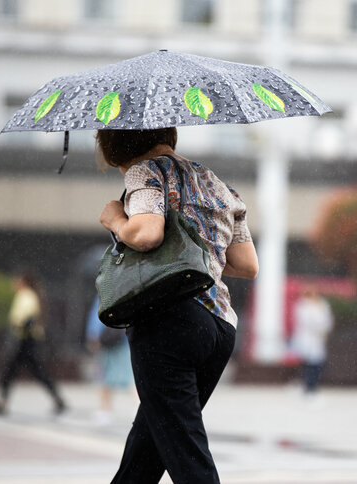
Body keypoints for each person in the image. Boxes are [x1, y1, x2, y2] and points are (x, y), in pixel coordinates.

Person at [96, 127, 258, 484]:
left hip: (168, 321)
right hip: (219, 326)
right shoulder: (217, 184)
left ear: (116, 143)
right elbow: (247, 264)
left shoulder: (145, 172)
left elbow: (147, 233)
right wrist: (200, 253)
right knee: (148, 451)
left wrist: (116, 220)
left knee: (187, 456)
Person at [0, 271, 66, 416]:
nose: (13, 282)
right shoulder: (25, 295)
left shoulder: (27, 295)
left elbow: (27, 318)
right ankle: (57, 399)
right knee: (20, 371)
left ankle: (2, 403)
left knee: (15, 371)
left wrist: (18, 326)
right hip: (25, 341)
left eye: (16, 279)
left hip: (24, 341)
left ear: (22, 281)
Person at [85, 295, 136, 426]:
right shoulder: (128, 288)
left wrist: (93, 335)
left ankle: (105, 411)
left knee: (105, 377)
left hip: (108, 341)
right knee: (131, 377)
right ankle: (140, 407)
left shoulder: (105, 289)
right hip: (122, 340)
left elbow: (96, 315)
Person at [291, 284, 334, 397]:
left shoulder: (321, 304)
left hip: (317, 339)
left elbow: (327, 321)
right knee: (308, 364)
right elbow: (311, 322)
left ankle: (312, 386)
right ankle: (307, 386)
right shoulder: (303, 306)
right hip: (307, 339)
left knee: (316, 364)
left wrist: (324, 330)